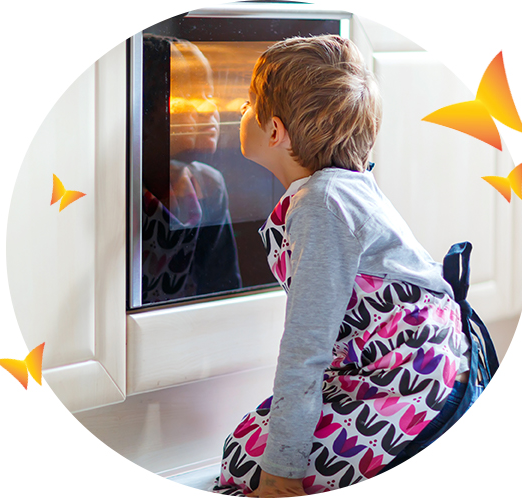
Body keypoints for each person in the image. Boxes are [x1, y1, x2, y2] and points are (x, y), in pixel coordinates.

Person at [212, 34, 484, 497]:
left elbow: (305, 348)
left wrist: (282, 473)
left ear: (275, 132)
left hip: (412, 386)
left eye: (246, 103)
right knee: (247, 443)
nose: (238, 112)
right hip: (419, 365)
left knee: (244, 463)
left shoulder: (321, 206)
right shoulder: (344, 185)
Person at [141, 34, 241, 304]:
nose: (211, 107)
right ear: (144, 113)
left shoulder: (208, 185)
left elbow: (223, 286)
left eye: (210, 95)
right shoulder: (120, 188)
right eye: (188, 97)